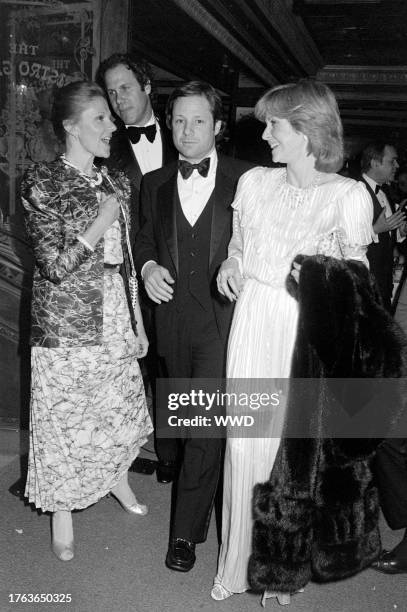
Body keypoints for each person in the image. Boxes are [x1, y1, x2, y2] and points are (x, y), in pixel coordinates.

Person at [212, 78, 373, 603]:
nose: (264, 134)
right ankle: (237, 566)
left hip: (301, 334)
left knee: (292, 455)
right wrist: (231, 265)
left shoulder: (349, 197)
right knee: (245, 448)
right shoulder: (256, 182)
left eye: (273, 124)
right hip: (253, 319)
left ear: (305, 129)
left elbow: (357, 287)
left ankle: (281, 569)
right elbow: (238, 243)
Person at [21, 81, 152, 562]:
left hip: (115, 314)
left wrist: (137, 322)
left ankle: (116, 478)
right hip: (66, 323)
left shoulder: (115, 180)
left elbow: (130, 260)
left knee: (113, 410)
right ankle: (62, 512)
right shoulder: (41, 182)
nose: (112, 125)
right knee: (63, 420)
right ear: (70, 126)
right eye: (100, 118)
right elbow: (53, 265)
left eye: (110, 118)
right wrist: (99, 222)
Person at [135, 80, 252, 572]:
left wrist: (237, 261)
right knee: (186, 425)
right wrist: (147, 268)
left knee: (203, 426)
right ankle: (200, 507)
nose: (186, 131)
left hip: (221, 322)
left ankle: (183, 535)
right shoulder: (155, 182)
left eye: (198, 120)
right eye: (178, 120)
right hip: (171, 321)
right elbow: (142, 239)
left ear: (219, 127)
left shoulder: (248, 180)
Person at [96, 54, 177, 484]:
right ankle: (120, 461)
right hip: (124, 275)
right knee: (129, 367)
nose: (117, 98)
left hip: (175, 273)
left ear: (146, 85)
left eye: (124, 87)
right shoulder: (104, 145)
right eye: (111, 91)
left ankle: (170, 454)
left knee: (173, 366)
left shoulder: (182, 136)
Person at [360, 141, 404, 310]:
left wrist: (399, 230)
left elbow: (387, 229)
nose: (397, 165)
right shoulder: (355, 191)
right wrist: (375, 230)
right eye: (392, 161)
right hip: (366, 283)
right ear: (374, 163)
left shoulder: (385, 191)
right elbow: (340, 236)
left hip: (384, 281)